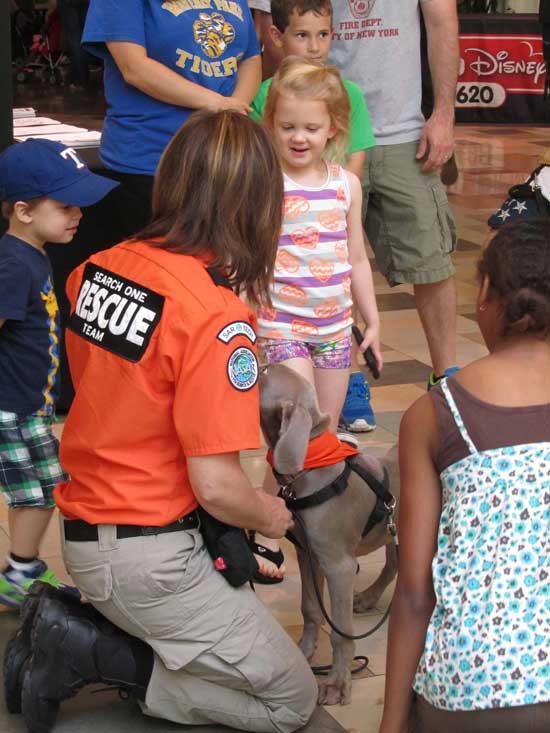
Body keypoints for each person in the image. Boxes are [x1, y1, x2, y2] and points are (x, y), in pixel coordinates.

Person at [16, 112, 317, 733]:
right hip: (150, 558)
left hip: (91, 531)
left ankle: (94, 626)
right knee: (292, 701)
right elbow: (217, 486)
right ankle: (94, 654)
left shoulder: (94, 269)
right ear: (255, 204)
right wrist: (270, 514)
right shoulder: (217, 317)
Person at [380, 219, 550, 733]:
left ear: (483, 296)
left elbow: (414, 591)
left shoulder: (436, 413)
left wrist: (391, 725)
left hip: (468, 691)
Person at [250, 56, 382, 581]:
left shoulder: (344, 186)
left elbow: (357, 255)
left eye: (311, 127)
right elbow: (247, 253)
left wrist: (371, 320)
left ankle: (311, 524)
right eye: (287, 127)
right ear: (271, 126)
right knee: (291, 437)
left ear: (334, 129)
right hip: (281, 328)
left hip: (333, 331)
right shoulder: (265, 182)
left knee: (321, 444)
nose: (298, 137)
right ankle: (265, 532)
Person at [329, 0, 459, 429]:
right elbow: (276, 29)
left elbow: (442, 18)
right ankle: (342, 381)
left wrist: (443, 113)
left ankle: (446, 378)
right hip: (327, 130)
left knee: (431, 258)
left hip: (404, 131)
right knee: (326, 261)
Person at [0, 139, 118, 609]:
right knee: (40, 490)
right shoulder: (12, 262)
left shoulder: (31, 252)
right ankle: (20, 572)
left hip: (27, 406)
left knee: (43, 487)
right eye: (66, 206)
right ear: (24, 211)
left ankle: (22, 567)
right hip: (13, 408)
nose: (79, 215)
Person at [80, 0, 262, 244]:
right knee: (153, 272)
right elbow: (133, 67)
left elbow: (250, 58)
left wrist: (233, 111)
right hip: (151, 161)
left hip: (221, 158)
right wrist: (218, 103)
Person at [250, 0, 376, 180]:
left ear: (332, 34)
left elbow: (355, 159)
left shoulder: (350, 94)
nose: (314, 47)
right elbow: (258, 160)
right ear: (277, 36)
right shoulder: (261, 95)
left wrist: (340, 198)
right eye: (302, 35)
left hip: (335, 202)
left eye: (323, 34)